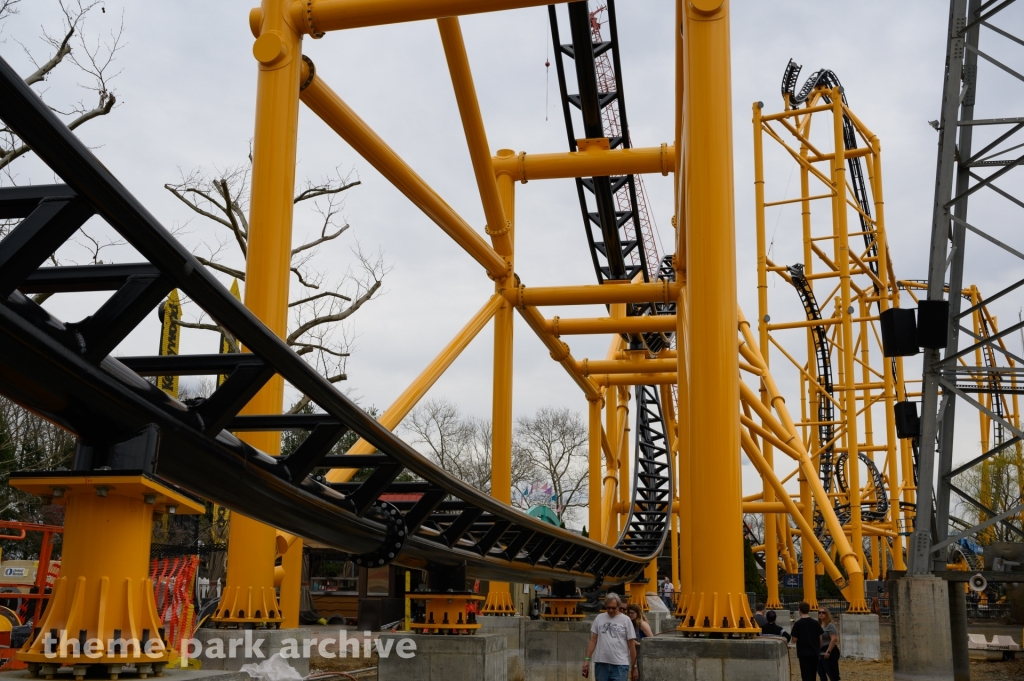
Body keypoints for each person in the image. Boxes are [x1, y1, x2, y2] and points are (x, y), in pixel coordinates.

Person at [582, 594, 637, 681]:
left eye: (613, 608)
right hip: (601, 663)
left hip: (620, 664)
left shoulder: (626, 620)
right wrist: (586, 659)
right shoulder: (599, 618)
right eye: (608, 608)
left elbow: (631, 644)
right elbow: (593, 640)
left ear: (619, 606)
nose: (611, 610)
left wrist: (634, 667)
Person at [790, 601, 824, 681]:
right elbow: (820, 639)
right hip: (814, 652)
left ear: (799, 610)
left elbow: (794, 640)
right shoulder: (816, 623)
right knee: (813, 675)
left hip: (803, 653)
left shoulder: (798, 624)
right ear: (808, 610)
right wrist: (819, 650)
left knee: (805, 675)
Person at [817, 606, 840, 681]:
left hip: (829, 651)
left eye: (823, 612)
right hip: (819, 652)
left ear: (827, 614)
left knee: (832, 673)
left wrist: (828, 651)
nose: (821, 614)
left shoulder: (830, 625)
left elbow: (834, 639)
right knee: (821, 673)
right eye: (819, 612)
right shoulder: (818, 625)